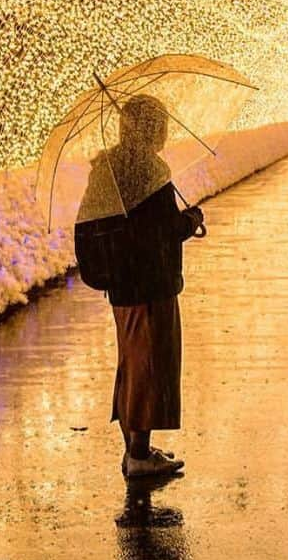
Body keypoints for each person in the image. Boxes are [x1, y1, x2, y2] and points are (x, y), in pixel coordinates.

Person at [78, 95, 204, 480]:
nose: (165, 130)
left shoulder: (108, 168)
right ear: (150, 128)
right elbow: (160, 233)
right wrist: (189, 220)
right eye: (160, 123)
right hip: (150, 284)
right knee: (148, 369)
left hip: (124, 284)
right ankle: (138, 456)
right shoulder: (145, 171)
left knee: (132, 365)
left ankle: (136, 449)